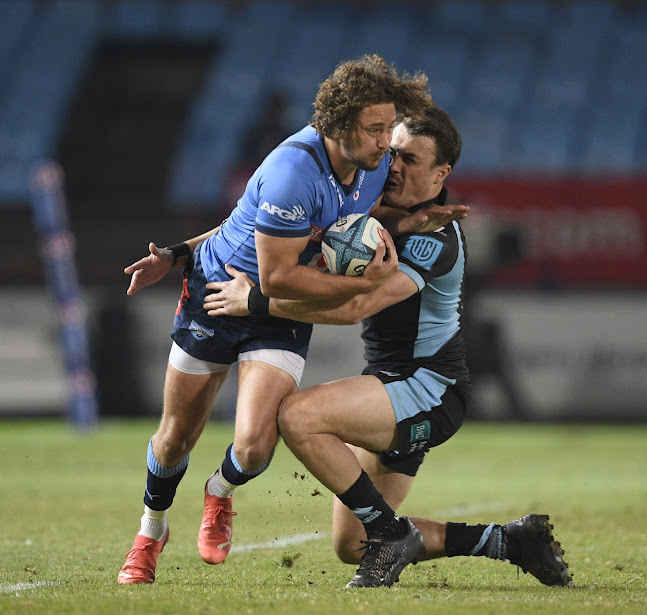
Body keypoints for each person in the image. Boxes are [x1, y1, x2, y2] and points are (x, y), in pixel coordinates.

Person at [205, 107, 572, 589]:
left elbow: (357, 307)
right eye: (393, 153)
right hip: (390, 382)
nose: (394, 165)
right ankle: (510, 541)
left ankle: (392, 533)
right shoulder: (377, 211)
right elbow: (259, 222)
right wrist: (182, 253)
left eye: (411, 160)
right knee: (351, 546)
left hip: (429, 388)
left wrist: (255, 301)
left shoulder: (435, 238)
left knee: (298, 416)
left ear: (441, 174)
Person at [117, 54, 446, 585]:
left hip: (274, 314)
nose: (387, 142)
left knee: (253, 448)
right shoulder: (294, 169)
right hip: (220, 292)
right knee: (176, 437)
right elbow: (277, 278)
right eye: (376, 129)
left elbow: (251, 220)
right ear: (340, 126)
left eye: (390, 127)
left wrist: (412, 218)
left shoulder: (372, 164)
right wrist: (365, 282)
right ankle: (151, 531)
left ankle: (218, 493)